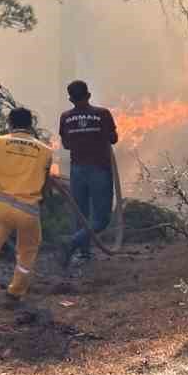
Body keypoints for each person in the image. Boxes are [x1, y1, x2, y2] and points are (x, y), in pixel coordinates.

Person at [0, 107, 61, 336]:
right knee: (27, 254)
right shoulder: (45, 151)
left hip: (1, 208)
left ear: (9, 123)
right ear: (30, 125)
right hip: (29, 212)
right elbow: (45, 187)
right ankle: (16, 292)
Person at [59, 80, 119, 267]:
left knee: (80, 214)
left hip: (77, 170)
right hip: (99, 169)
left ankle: (84, 254)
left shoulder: (65, 117)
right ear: (89, 95)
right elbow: (113, 138)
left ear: (70, 99)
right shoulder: (102, 114)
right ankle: (73, 242)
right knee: (101, 219)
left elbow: (67, 145)